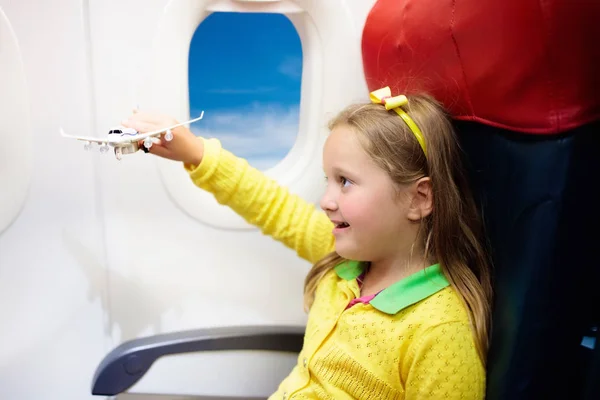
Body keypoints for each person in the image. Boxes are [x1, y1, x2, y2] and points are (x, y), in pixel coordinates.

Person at [123, 86, 493, 399]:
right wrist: (196, 154)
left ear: (418, 199)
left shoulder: (439, 332)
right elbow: (273, 206)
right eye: (327, 180)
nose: (326, 200)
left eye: (344, 181)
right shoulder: (344, 264)